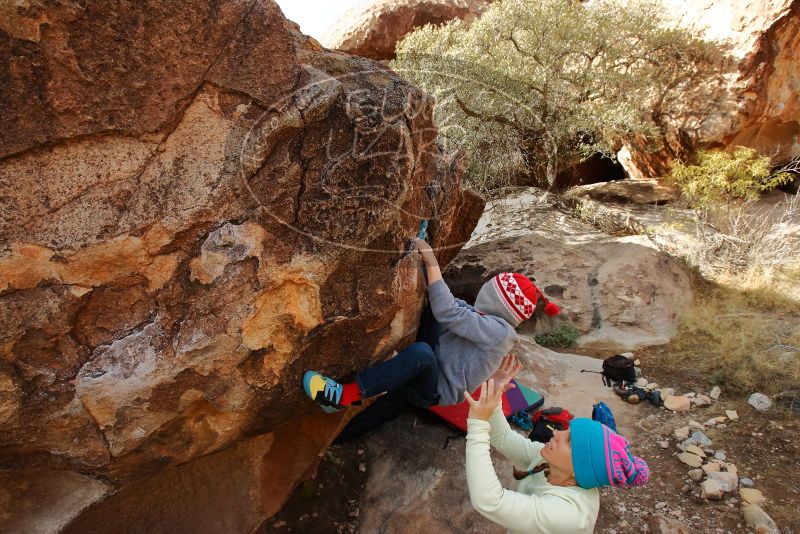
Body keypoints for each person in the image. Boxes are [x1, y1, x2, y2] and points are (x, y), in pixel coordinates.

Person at [302, 237, 560, 412]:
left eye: (489, 290)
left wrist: (431, 262)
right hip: (436, 361)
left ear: (498, 302)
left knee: (422, 354)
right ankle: (397, 369)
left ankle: (342, 397)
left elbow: (449, 311)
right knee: (432, 317)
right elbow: (455, 306)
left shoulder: (499, 333)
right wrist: (422, 265)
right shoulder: (492, 320)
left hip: (434, 391)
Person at [464, 356, 650, 534]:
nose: (556, 433)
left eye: (569, 442)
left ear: (578, 470)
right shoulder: (549, 463)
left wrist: (477, 425)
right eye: (566, 431)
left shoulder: (569, 514)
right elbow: (503, 437)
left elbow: (490, 501)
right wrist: (494, 396)